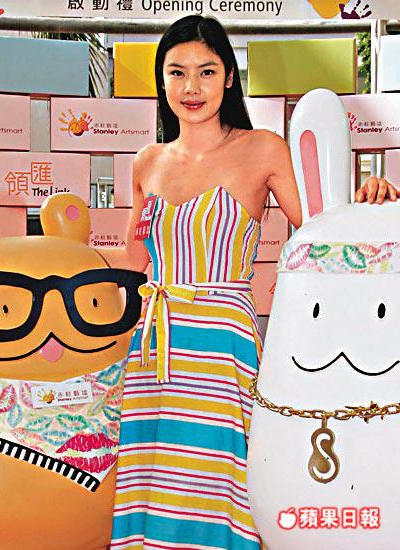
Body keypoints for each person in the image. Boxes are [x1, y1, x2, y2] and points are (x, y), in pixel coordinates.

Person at [101, 15, 398, 549]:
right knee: (155, 480)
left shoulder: (263, 149)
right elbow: (132, 262)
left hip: (222, 346)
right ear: (161, 80)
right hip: (156, 348)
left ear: (229, 78)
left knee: (221, 479)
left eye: (207, 71)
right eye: (177, 72)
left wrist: (368, 200)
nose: (192, 87)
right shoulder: (147, 162)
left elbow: (322, 229)